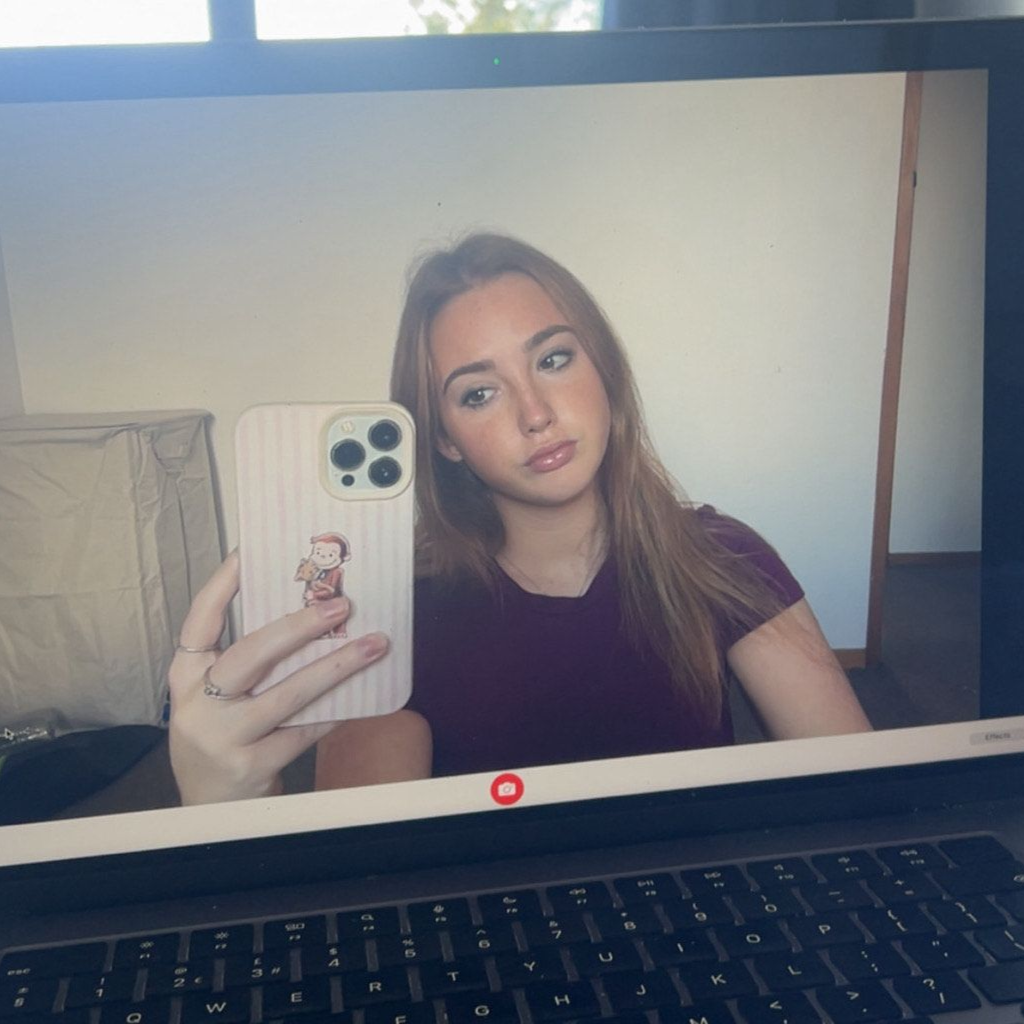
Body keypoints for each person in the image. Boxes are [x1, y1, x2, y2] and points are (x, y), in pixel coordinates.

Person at [170, 233, 869, 805]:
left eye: (555, 359)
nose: (535, 413)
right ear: (443, 439)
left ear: (605, 373)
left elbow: (866, 798)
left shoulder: (723, 555)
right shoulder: (396, 614)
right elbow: (357, 898)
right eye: (478, 395)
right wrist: (221, 808)